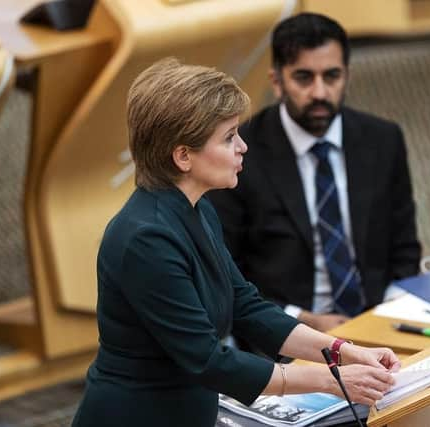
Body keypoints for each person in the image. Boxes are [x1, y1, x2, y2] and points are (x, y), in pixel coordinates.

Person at [72, 58, 400, 427]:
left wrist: (341, 352)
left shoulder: (197, 210)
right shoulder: (146, 240)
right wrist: (330, 380)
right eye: (229, 137)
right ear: (182, 155)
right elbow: (207, 360)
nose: (243, 147)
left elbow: (246, 306)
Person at [209, 13, 421, 332]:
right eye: (304, 78)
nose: (320, 93)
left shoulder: (383, 139)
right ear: (277, 82)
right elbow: (225, 274)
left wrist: (392, 311)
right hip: (285, 329)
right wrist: (300, 320)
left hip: (379, 320)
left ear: (346, 75)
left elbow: (404, 247)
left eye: (332, 76)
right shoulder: (238, 153)